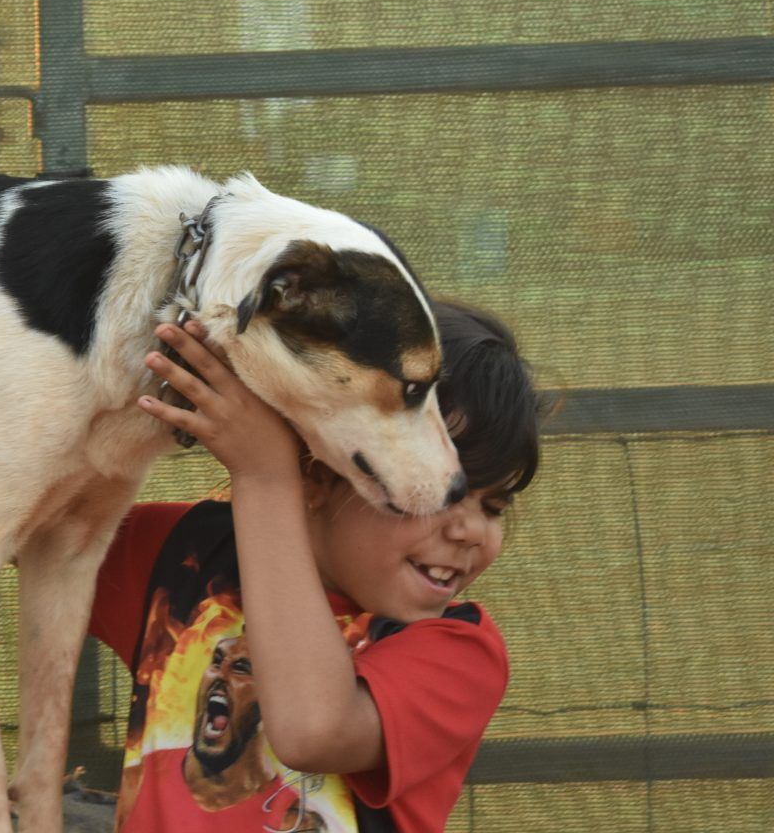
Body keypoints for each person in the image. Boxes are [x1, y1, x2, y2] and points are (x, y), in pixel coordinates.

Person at [91, 301, 543, 832]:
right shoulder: (185, 553)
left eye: (493, 508)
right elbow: (11, 530)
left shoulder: (458, 654)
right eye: (434, 492)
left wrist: (263, 477)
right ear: (318, 467)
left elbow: (311, 731)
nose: (469, 532)